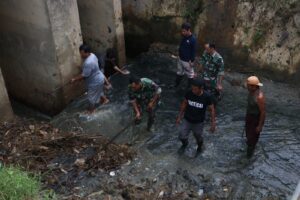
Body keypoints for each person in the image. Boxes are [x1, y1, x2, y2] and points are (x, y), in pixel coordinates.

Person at [176, 79, 216, 156]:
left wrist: (213, 123)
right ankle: (185, 144)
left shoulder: (207, 96)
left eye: (195, 89)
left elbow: (212, 110)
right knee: (182, 136)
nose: (193, 90)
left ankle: (200, 147)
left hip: (198, 121)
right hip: (187, 119)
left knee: (198, 136)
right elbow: (184, 103)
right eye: (192, 88)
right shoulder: (189, 92)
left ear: (201, 88)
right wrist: (179, 116)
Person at [71, 44, 110, 113]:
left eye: (82, 53)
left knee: (91, 97)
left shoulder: (88, 62)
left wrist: (74, 79)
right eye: (80, 53)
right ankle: (105, 100)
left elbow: (84, 75)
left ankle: (92, 111)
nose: (81, 55)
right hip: (99, 77)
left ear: (87, 52)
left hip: (95, 81)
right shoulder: (92, 55)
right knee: (99, 91)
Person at [245, 76, 266, 158]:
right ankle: (250, 149)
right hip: (249, 116)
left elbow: (263, 112)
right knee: (248, 136)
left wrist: (260, 126)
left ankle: (248, 158)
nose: (247, 87)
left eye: (248, 85)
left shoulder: (259, 97)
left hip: (256, 119)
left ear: (254, 86)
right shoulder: (250, 92)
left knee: (252, 139)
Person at [175, 22, 197, 88]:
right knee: (179, 72)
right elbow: (181, 45)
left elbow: (193, 51)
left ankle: (189, 88)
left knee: (190, 74)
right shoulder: (184, 36)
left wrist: (192, 60)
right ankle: (176, 84)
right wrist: (178, 54)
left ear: (189, 30)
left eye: (184, 31)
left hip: (187, 61)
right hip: (180, 58)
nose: (183, 32)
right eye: (182, 31)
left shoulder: (193, 39)